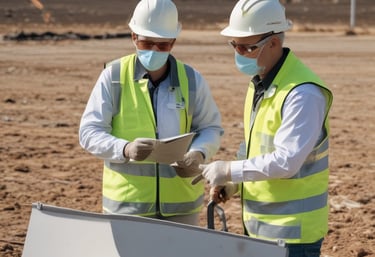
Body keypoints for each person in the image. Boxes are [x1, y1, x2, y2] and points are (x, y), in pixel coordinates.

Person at [196, 0, 333, 256]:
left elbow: (286, 161)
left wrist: (229, 170)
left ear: (273, 43)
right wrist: (234, 184)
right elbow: (254, 145)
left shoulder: (302, 93)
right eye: (234, 45)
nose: (238, 53)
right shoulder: (261, 83)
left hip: (292, 237)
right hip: (260, 230)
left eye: (246, 47)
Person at [79, 0, 223, 226]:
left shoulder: (192, 80)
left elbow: (210, 128)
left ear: (173, 42)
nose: (155, 50)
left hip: (181, 208)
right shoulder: (114, 76)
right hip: (127, 209)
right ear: (134, 37)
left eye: (162, 45)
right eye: (147, 43)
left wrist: (199, 152)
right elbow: (89, 132)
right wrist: (124, 149)